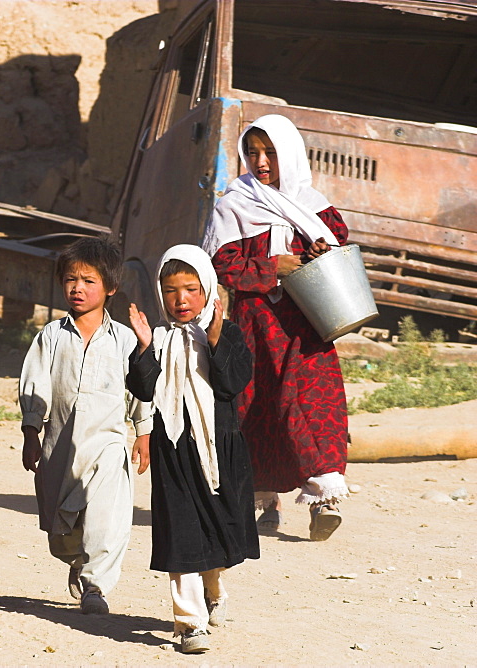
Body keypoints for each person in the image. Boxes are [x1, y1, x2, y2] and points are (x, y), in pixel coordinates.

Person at [202, 114, 350, 540]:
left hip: (307, 326)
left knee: (315, 405)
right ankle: (266, 498)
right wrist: (273, 266)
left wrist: (319, 248)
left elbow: (338, 248)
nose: (261, 162)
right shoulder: (234, 204)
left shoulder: (314, 204)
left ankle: (324, 497)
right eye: (252, 152)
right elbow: (220, 266)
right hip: (257, 327)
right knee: (260, 407)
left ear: (290, 153)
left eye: (270, 152)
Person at [126, 244, 259, 654]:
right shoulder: (160, 339)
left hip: (219, 451)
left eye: (190, 289)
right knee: (181, 532)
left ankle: (212, 588)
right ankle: (189, 623)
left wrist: (216, 338)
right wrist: (146, 346)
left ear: (209, 291)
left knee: (218, 531)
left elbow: (232, 383)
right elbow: (143, 389)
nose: (180, 299)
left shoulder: (228, 333)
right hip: (173, 452)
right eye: (170, 290)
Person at [19, 235, 150, 615]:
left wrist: (143, 433)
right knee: (62, 532)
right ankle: (78, 562)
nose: (78, 288)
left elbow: (141, 389)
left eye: (89, 280)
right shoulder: (50, 337)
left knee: (108, 512)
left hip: (107, 444)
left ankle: (96, 585)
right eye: (71, 279)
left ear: (111, 287)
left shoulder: (125, 339)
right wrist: (31, 434)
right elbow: (34, 385)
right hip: (59, 446)